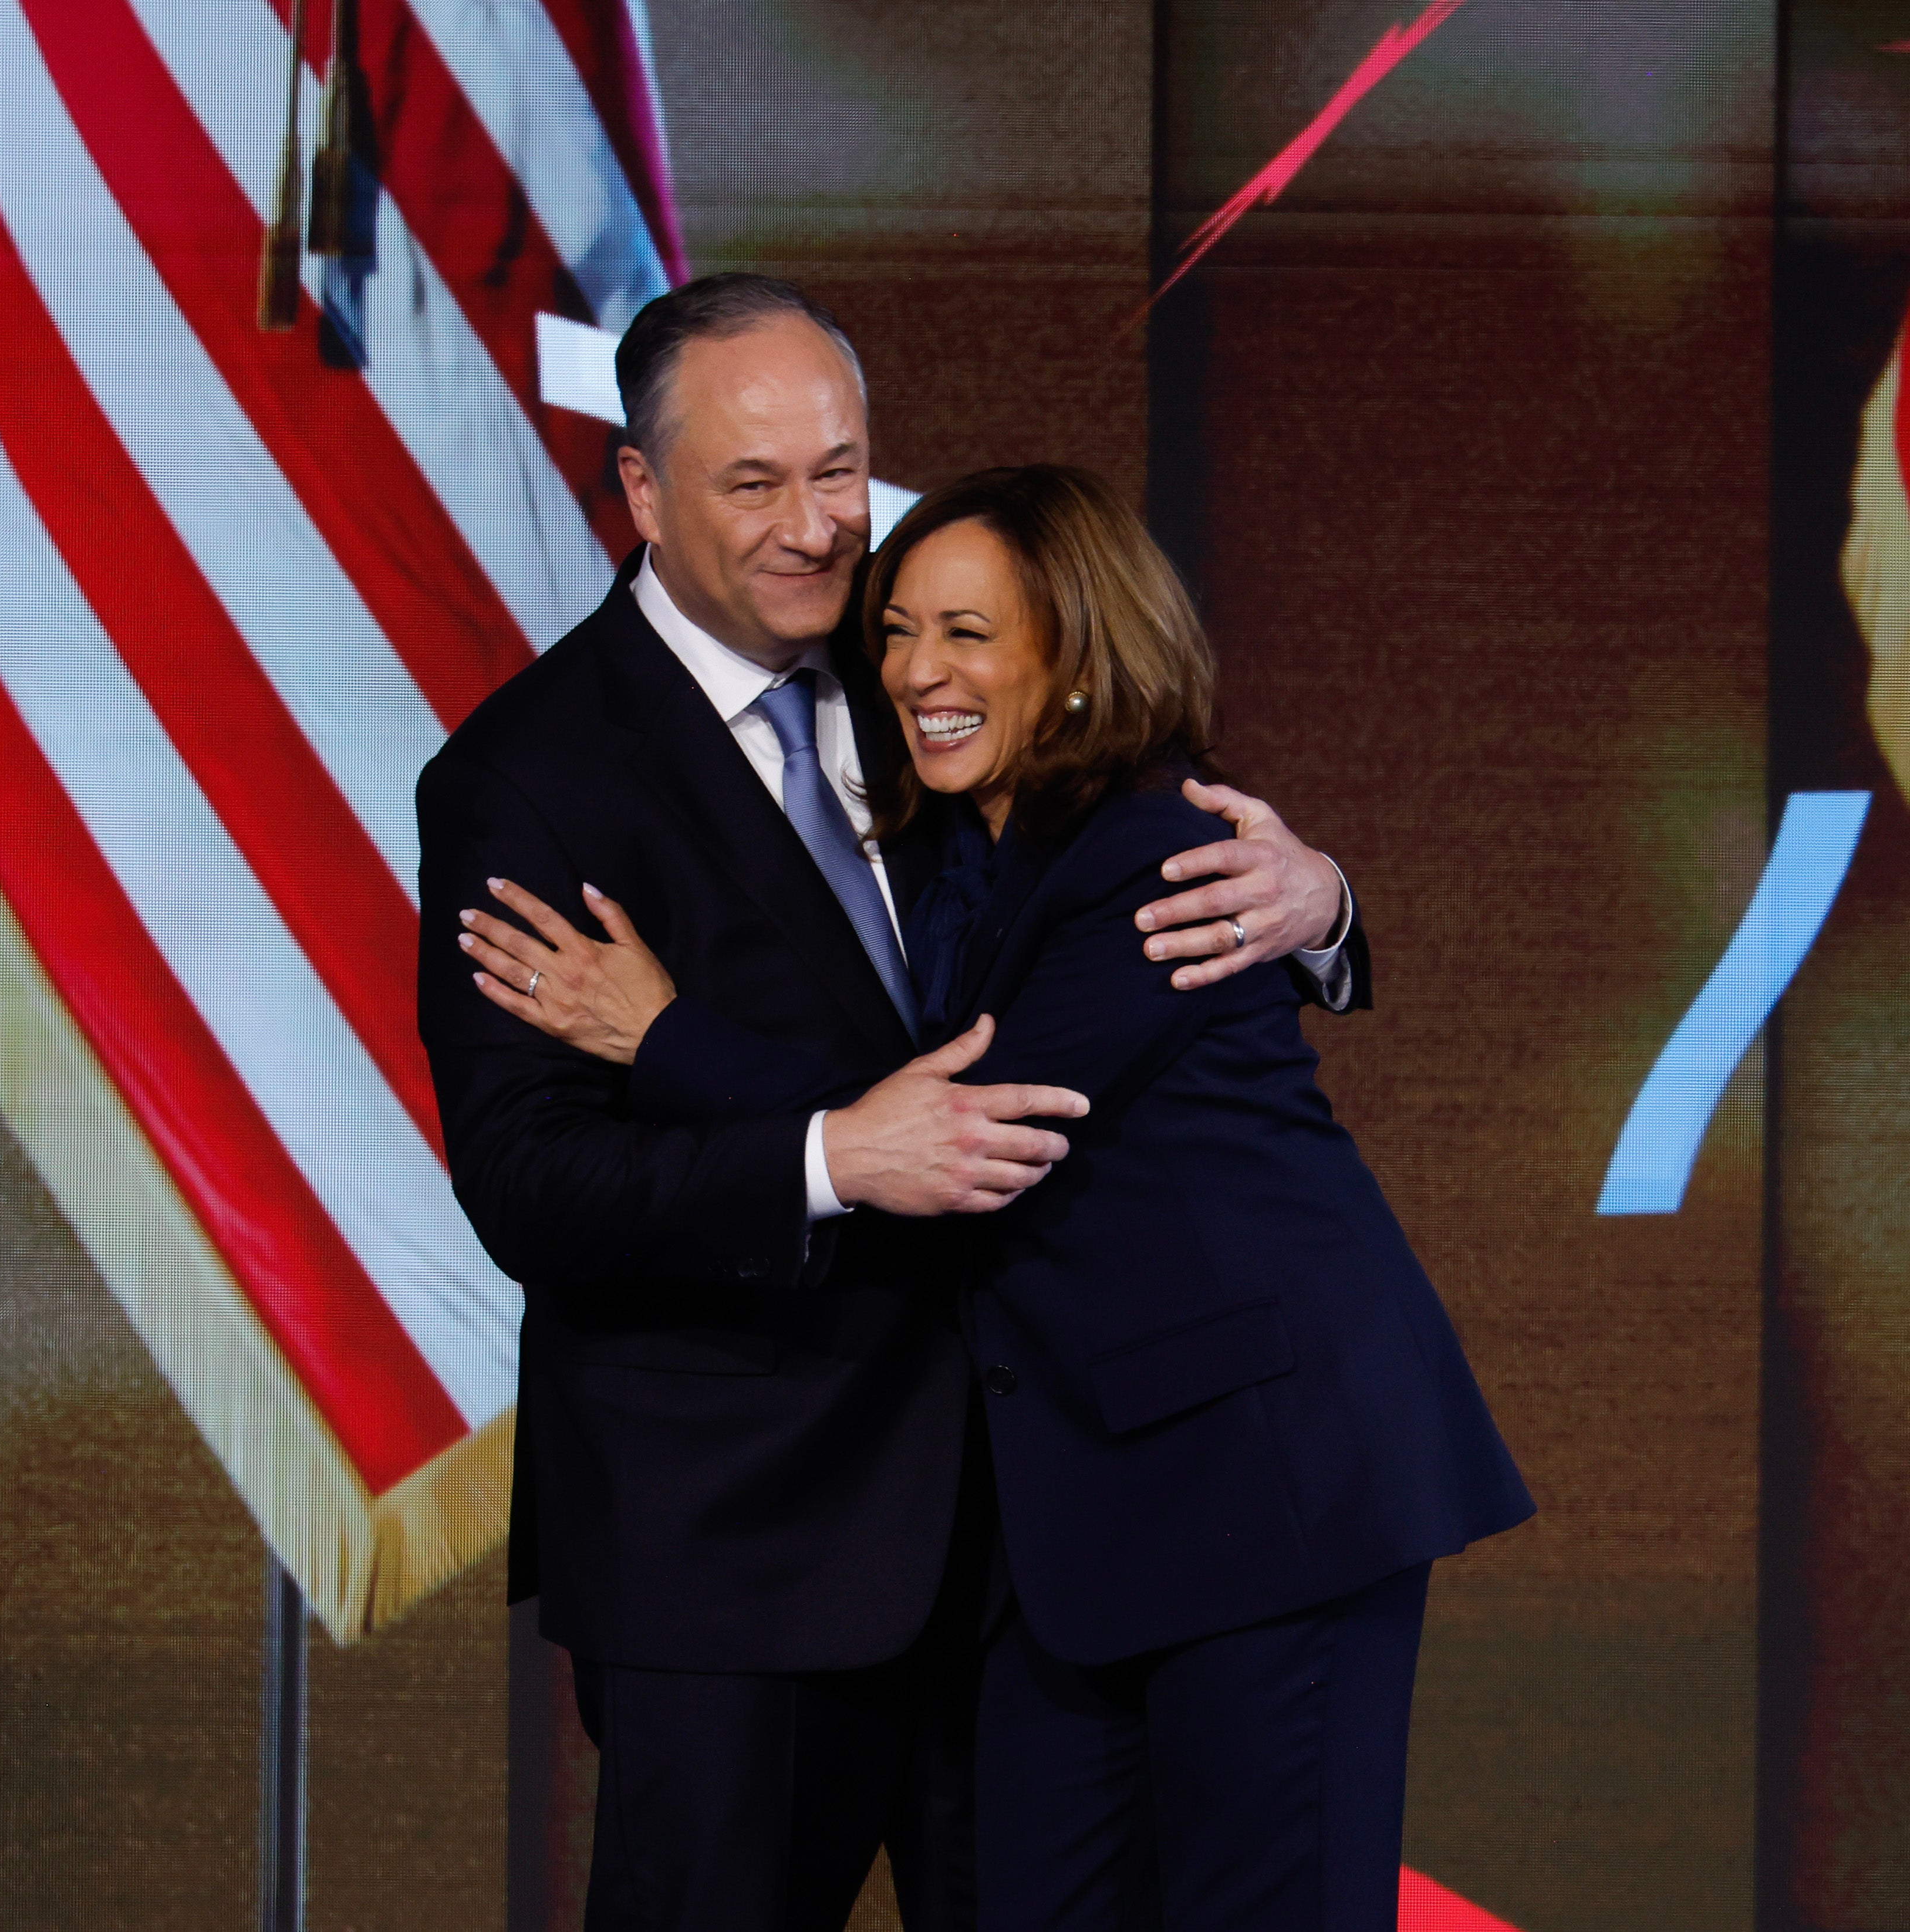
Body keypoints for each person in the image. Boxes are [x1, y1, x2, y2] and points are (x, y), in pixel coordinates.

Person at [415, 277, 1370, 1932]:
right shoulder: (527, 773)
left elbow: (1113, 891)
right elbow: (527, 1178)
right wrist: (819, 1158)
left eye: (841, 470)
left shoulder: (924, 657)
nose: (815, 526)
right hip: (730, 1556)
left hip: (1024, 1542)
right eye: (755, 483)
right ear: (641, 493)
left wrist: (1327, 900)